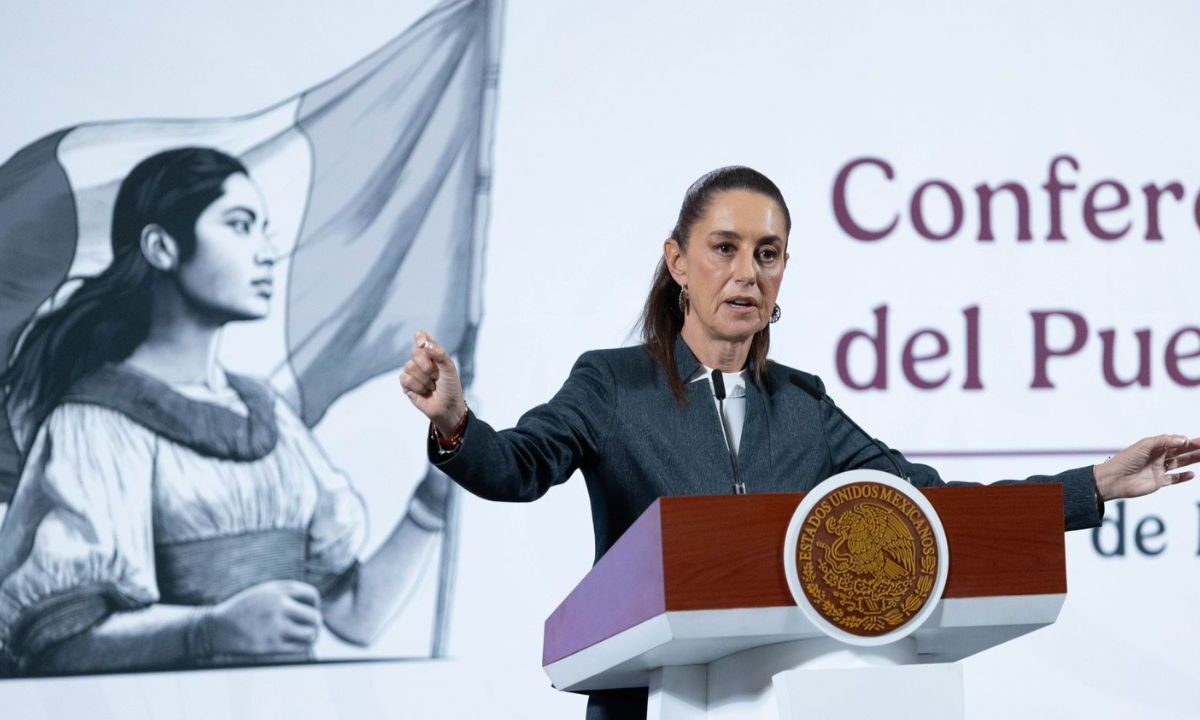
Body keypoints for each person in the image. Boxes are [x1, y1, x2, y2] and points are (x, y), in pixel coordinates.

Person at [401, 166, 1199, 719]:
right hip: (651, 700)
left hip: (791, 703)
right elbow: (518, 466)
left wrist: (1093, 484)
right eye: (725, 248)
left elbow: (927, 510)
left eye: (768, 253)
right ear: (678, 261)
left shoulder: (805, 408)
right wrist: (453, 423)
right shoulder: (613, 385)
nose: (747, 270)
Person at [0, 147, 447, 675]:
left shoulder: (270, 417)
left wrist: (437, 493)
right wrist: (208, 630)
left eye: (263, 229)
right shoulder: (94, 423)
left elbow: (355, 615)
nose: (265, 253)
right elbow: (58, 644)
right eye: (239, 225)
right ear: (161, 247)